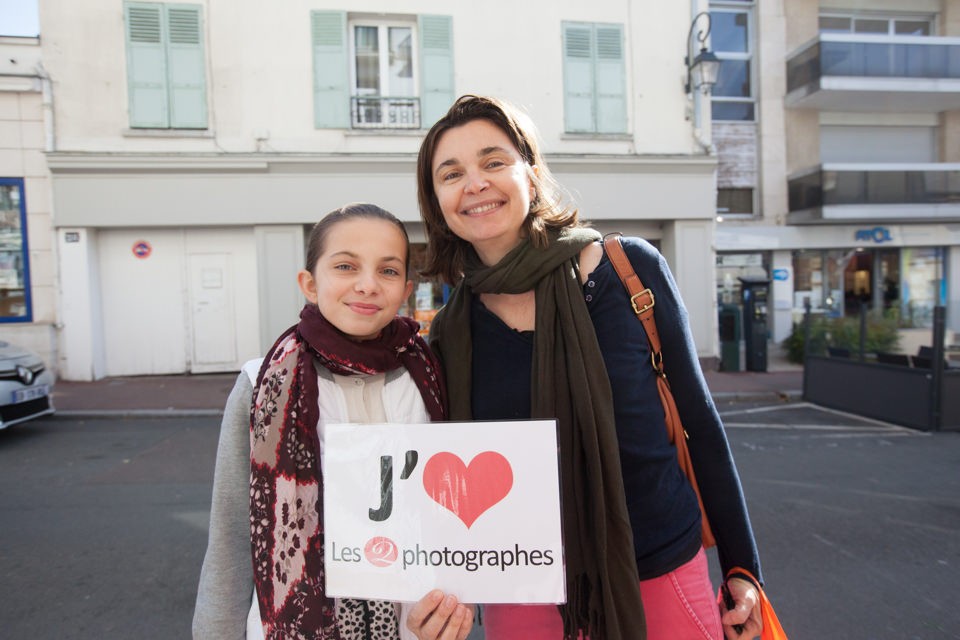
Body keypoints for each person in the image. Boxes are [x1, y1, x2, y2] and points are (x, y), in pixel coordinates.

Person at [405, 95, 766, 640]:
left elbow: (700, 421)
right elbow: (441, 479)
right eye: (451, 173)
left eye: (493, 162)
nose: (474, 183)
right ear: (437, 201)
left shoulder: (629, 270)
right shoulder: (451, 330)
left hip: (658, 566)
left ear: (530, 170)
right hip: (524, 585)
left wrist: (743, 568)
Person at [192, 203, 452, 639]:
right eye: (346, 266)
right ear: (310, 284)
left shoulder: (431, 374)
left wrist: (460, 602)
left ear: (406, 288)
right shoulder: (262, 384)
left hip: (417, 623)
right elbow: (233, 533)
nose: (367, 285)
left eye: (387, 271)